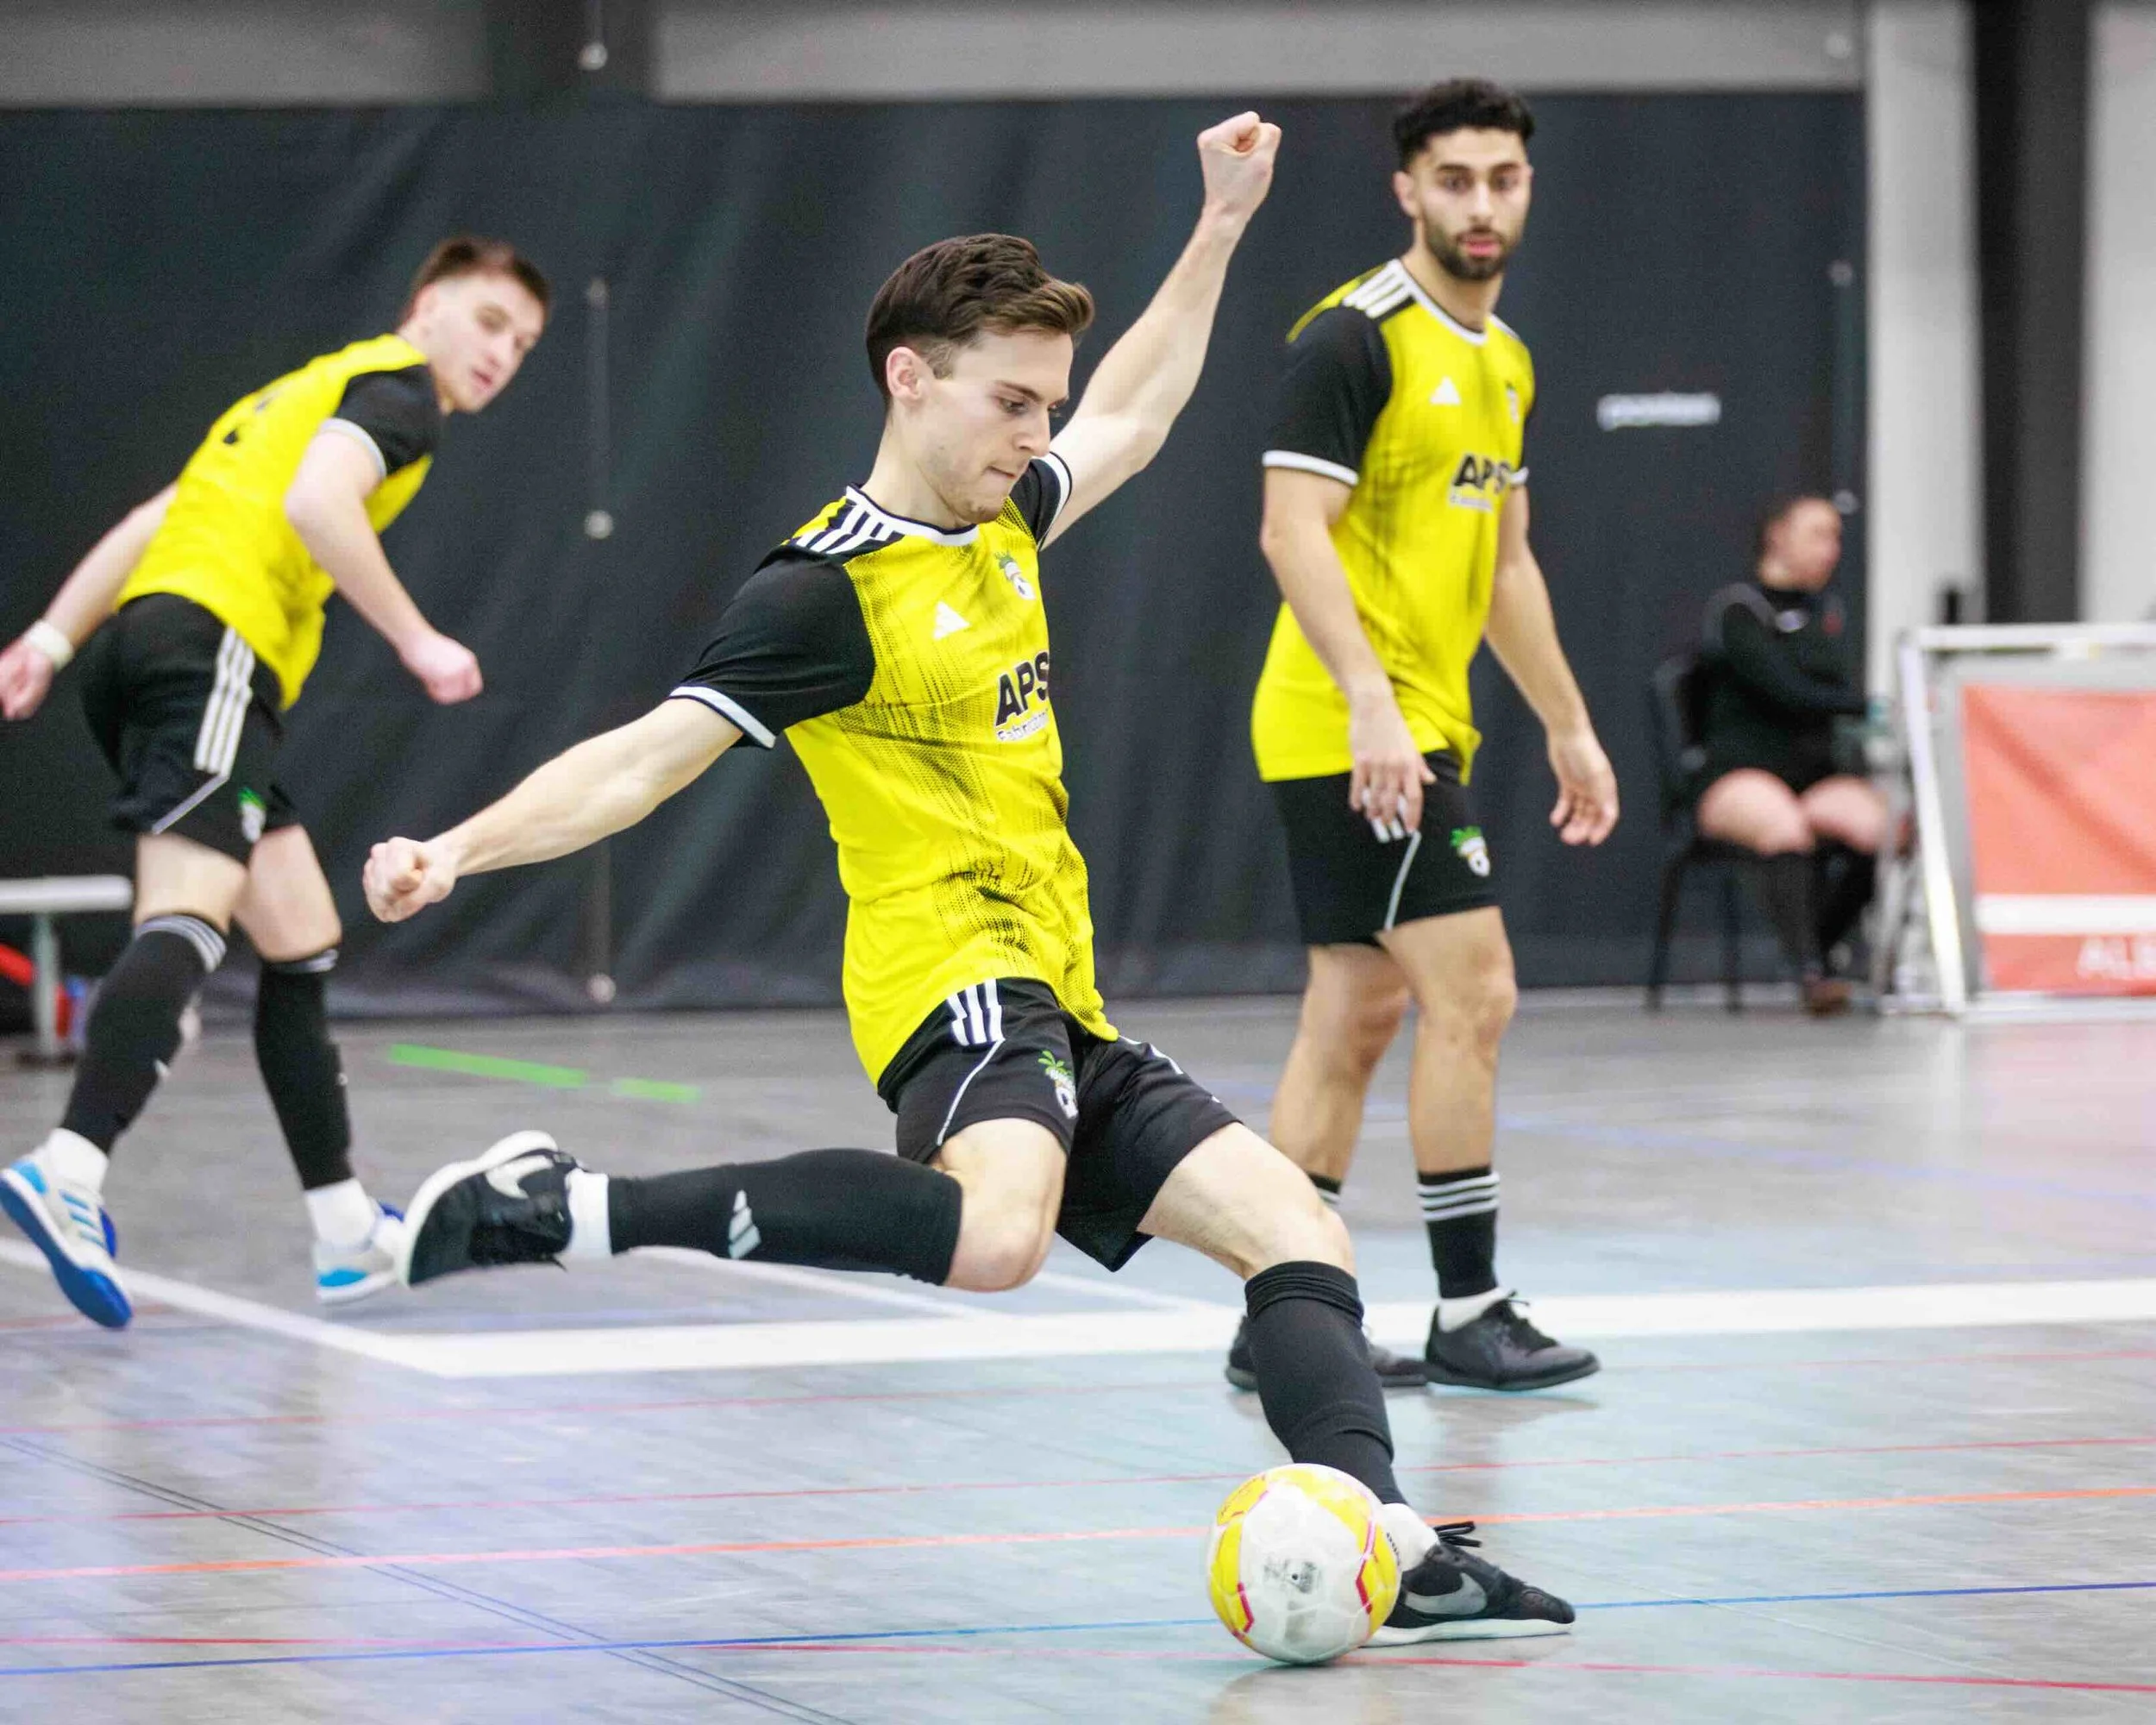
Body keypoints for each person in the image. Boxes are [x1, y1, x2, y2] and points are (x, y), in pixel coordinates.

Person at [366, 116, 1573, 1642]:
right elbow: (642, 759)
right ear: (908, 377)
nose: (1034, 432)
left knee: (1300, 1231)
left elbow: (1134, 409)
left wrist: (1213, 229)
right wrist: (455, 849)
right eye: (1010, 401)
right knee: (997, 1234)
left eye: (1040, 405)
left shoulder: (1006, 527)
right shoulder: (822, 593)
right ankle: (564, 1206)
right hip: (954, 981)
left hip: (1060, 997)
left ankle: (1387, 1538)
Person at [0, 236, 549, 1327]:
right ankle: (69, 1165)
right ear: (429, 307)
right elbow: (316, 505)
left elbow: (159, 518)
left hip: (156, 647)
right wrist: (418, 638)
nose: (504, 354)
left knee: (298, 935)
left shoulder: (304, 388)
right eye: (490, 323)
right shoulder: (399, 392)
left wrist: (56, 639)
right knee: (189, 919)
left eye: (525, 344)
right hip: (216, 649)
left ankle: (347, 1230)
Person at [1234, 79, 1616, 1396]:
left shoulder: (1503, 361)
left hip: (1406, 726)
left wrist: (1569, 724)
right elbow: (1292, 530)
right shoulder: (1355, 338)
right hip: (1351, 729)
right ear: (1409, 190)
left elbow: (1507, 565)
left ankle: (1277, 1317)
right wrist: (1371, 701)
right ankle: (1470, 1309)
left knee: (1355, 1012)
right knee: (1479, 988)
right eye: (1454, 180)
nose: (1481, 204)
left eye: (1502, 178)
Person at [1695, 493, 1884, 1015]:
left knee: (1883, 830)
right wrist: (1868, 705)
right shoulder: (1740, 611)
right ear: (1778, 535)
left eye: (1837, 537)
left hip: (1814, 774)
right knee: (1784, 827)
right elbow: (1789, 692)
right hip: (1742, 770)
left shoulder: (1827, 613)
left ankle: (1821, 947)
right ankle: (1809, 973)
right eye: (1818, 535)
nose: (1832, 550)